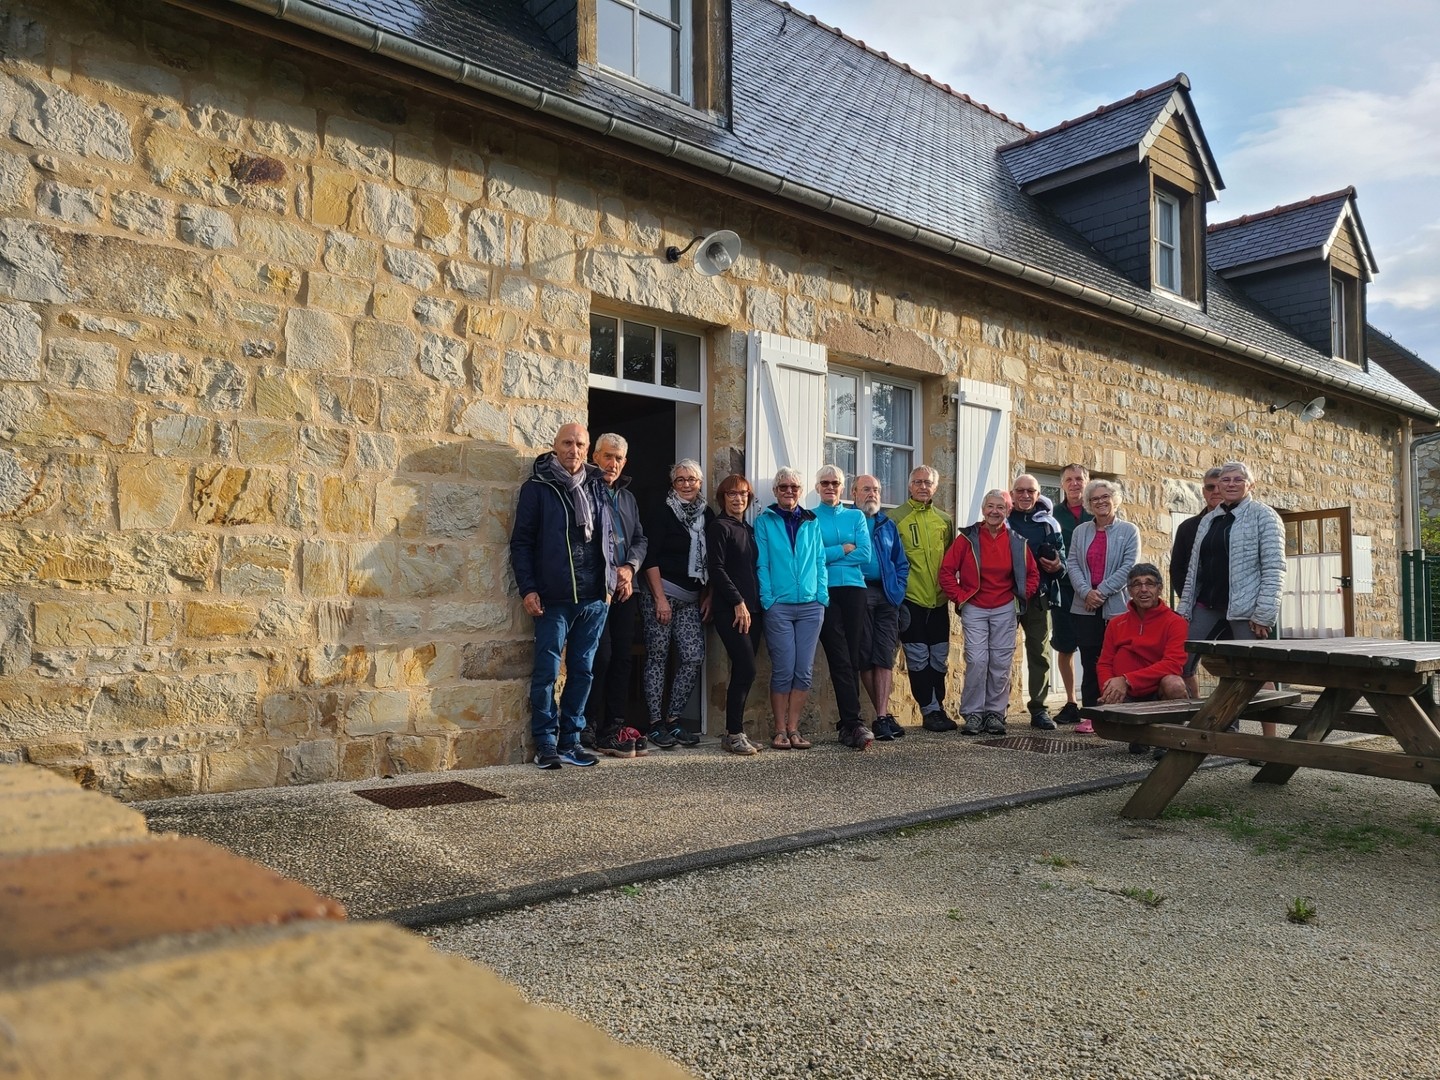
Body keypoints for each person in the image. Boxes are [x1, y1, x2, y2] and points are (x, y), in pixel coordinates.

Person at [509, 423, 614, 770]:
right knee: (547, 672)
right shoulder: (537, 488)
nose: (574, 449)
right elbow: (521, 543)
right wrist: (528, 588)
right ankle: (546, 743)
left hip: (594, 599)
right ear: (555, 446)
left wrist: (614, 580)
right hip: (553, 598)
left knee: (583, 672)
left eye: (580, 444)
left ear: (587, 449)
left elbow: (611, 536)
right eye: (567, 443)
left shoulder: (598, 487)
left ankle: (572, 739)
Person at [1177, 460, 1286, 738]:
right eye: (1226, 480)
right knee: (1181, 662)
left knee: (1257, 672)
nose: (1231, 484)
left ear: (1251, 484)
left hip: (1246, 609)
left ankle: (1269, 741)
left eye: (1239, 479)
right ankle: (1197, 726)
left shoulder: (1265, 516)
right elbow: (1194, 569)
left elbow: (1274, 568)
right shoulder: (1209, 519)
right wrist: (1184, 607)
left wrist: (1264, 613)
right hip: (1206, 603)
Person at [940, 489, 1039, 736]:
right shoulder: (967, 538)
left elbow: (1033, 574)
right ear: (984, 510)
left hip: (1005, 607)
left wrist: (1020, 596)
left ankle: (995, 713)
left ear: (1008, 511)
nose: (995, 511)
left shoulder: (1017, 541)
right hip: (975, 606)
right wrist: (961, 596)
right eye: (990, 507)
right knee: (977, 660)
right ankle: (973, 714)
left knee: (1000, 662)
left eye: (1001, 507)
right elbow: (946, 572)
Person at [584, 433, 650, 758]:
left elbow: (640, 539)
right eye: (608, 456)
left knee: (623, 659)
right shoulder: (585, 490)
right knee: (602, 656)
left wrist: (630, 568)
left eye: (619, 458)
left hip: (627, 588)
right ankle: (591, 725)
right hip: (599, 589)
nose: (613, 463)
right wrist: (614, 574)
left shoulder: (627, 497)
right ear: (595, 456)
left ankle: (615, 724)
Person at [639, 460, 713, 750]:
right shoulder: (662, 512)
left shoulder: (707, 514)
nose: (686, 484)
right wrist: (658, 598)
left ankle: (673, 718)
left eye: (692, 479)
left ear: (700, 483)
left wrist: (709, 595)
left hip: (691, 598)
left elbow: (713, 560)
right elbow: (650, 557)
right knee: (658, 658)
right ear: (673, 484)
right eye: (680, 479)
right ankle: (655, 724)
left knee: (693, 656)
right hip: (661, 594)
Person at [755, 467, 828, 750]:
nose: (789, 491)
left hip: (811, 607)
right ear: (775, 491)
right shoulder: (766, 521)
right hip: (780, 607)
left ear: (800, 491)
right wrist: (768, 600)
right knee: (784, 669)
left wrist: (822, 596)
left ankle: (794, 728)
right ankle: (779, 730)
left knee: (804, 671)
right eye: (783, 487)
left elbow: (820, 561)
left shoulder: (812, 521)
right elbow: (762, 563)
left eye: (794, 487)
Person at [1065, 478, 1140, 728]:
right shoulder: (1080, 531)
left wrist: (1102, 592)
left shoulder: (1129, 530)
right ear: (1088, 503)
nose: (1100, 502)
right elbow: (1072, 563)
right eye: (1095, 498)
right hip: (1084, 606)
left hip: (1116, 608)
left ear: (1115, 499)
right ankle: (1091, 715)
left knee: (1118, 661)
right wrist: (1086, 592)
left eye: (1105, 497)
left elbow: (1128, 567)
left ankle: (1117, 713)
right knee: (1090, 661)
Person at [1096, 563, 1189, 755]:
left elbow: (1173, 663)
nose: (1143, 589)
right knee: (1103, 708)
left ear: (1160, 588)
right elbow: (1104, 662)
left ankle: (1167, 739)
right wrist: (1109, 688)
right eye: (1137, 584)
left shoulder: (1175, 622)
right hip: (1127, 694)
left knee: (1175, 684)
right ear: (1130, 590)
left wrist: (1127, 680)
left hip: (1157, 690)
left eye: (1150, 583)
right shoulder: (1116, 623)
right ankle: (1141, 736)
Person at [812, 465, 875, 750]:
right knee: (839, 656)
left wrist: (831, 557)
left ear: (842, 488)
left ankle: (849, 725)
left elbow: (865, 553)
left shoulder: (855, 516)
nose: (830, 487)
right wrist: (842, 549)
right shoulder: (810, 517)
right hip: (825, 592)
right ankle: (854, 722)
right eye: (825, 482)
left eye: (835, 483)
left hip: (854, 591)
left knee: (852, 657)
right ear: (817, 487)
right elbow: (812, 557)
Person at [891, 465, 957, 731]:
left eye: (927, 482)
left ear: (935, 487)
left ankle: (937, 708)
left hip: (939, 601)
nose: (922, 486)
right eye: (917, 482)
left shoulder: (944, 519)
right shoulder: (895, 518)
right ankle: (930, 711)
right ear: (909, 486)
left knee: (939, 658)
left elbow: (952, 560)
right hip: (911, 600)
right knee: (918, 658)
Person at [707, 474, 764, 756]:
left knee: (744, 670)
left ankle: (735, 731)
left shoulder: (749, 529)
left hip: (754, 610)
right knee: (746, 667)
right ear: (723, 498)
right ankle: (733, 733)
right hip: (731, 610)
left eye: (743, 494)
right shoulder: (719, 527)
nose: (738, 498)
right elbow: (715, 569)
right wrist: (737, 602)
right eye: (732, 494)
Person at [853, 473, 909, 741]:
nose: (872, 494)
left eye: (875, 489)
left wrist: (897, 590)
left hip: (886, 596)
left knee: (884, 655)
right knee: (865, 655)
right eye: (866, 489)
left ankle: (882, 716)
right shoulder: (849, 520)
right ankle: (882, 716)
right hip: (859, 594)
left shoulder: (887, 524)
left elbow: (901, 561)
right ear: (854, 493)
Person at [1008, 474, 1065, 730]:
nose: (1025, 495)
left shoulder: (1049, 524)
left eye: (1030, 491)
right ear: (1012, 493)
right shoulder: (1002, 519)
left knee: (1039, 655)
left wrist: (1057, 565)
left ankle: (1039, 709)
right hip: (1004, 597)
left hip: (1038, 597)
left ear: (1038, 493)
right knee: (998, 654)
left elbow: (1062, 562)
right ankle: (997, 709)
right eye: (1020, 490)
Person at [1169, 466, 1224, 698]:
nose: (1216, 491)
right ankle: (1194, 717)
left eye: (1221, 486)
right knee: (1184, 663)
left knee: (1249, 669)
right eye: (1211, 487)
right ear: (1204, 491)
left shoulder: (1247, 522)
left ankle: (1265, 732)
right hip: (1201, 606)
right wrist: (1189, 599)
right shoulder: (1188, 527)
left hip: (1238, 607)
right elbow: (1177, 568)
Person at [1050, 463, 1091, 724]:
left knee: (1092, 649)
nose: (1074, 484)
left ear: (1087, 481)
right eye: (1069, 479)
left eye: (1079, 479)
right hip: (1063, 590)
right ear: (1062, 484)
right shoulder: (1053, 515)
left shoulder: (1097, 510)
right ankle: (1070, 702)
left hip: (1093, 592)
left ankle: (1093, 702)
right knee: (1065, 647)